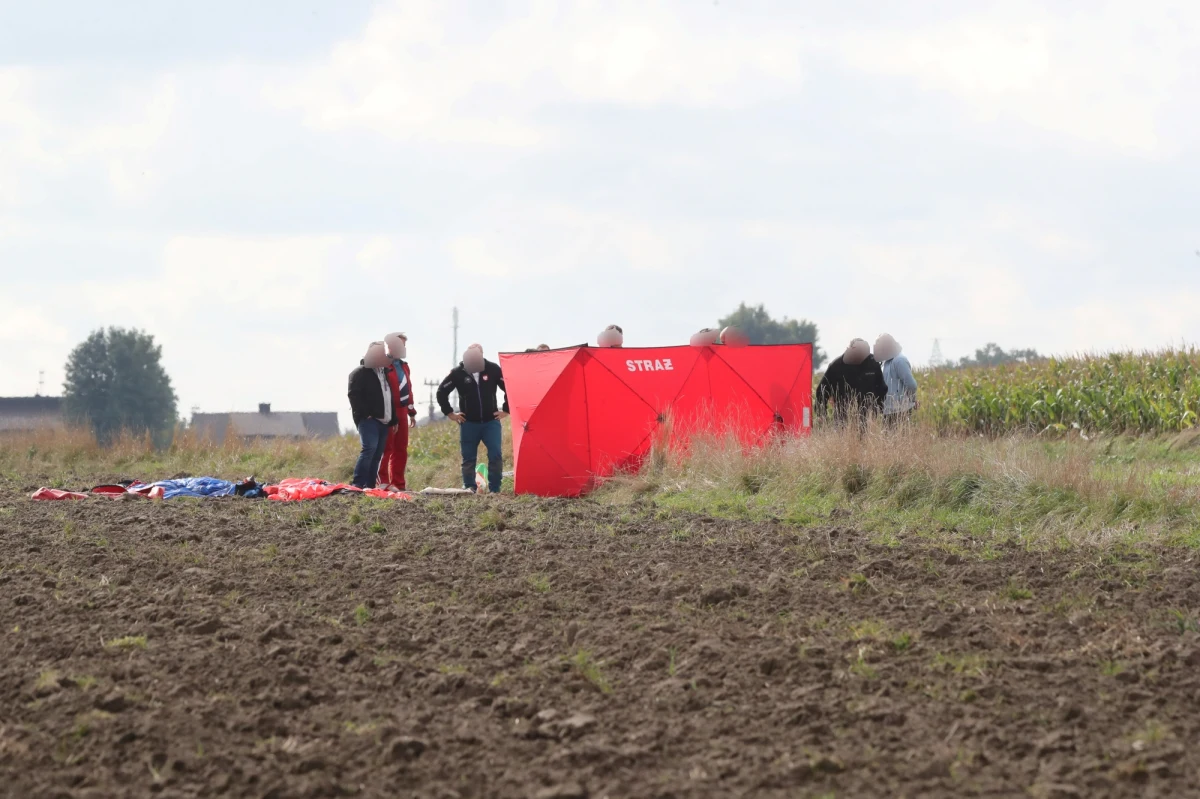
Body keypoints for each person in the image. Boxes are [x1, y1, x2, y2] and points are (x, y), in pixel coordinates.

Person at [436, 343, 509, 493]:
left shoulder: (493, 369)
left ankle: (495, 489)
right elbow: (441, 392)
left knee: (495, 455)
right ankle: (469, 488)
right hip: (469, 424)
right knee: (468, 458)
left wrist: (506, 410)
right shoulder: (457, 373)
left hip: (491, 423)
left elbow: (509, 386)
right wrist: (450, 413)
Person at [347, 341, 400, 489]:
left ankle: (369, 486)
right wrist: (365, 414)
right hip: (369, 420)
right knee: (369, 449)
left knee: (377, 454)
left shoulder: (385, 373)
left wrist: (394, 419)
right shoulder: (359, 373)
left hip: (384, 421)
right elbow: (353, 395)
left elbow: (389, 397)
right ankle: (358, 484)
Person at [815, 338, 888, 427]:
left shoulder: (873, 362)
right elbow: (822, 390)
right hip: (843, 418)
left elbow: (882, 388)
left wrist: (877, 410)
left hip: (868, 417)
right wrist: (821, 413)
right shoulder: (837, 365)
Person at [377, 332, 417, 491]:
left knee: (401, 448)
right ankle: (383, 482)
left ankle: (398, 484)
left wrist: (411, 410)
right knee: (386, 447)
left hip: (402, 410)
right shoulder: (382, 365)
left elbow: (408, 388)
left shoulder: (404, 366)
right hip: (387, 410)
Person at [874, 333, 918, 426]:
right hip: (888, 411)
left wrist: (913, 399)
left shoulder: (900, 360)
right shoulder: (886, 363)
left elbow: (911, 384)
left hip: (901, 410)